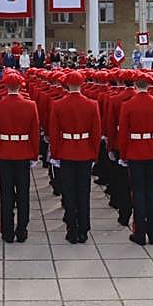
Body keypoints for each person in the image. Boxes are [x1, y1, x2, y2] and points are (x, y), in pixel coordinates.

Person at [117, 72, 153, 245]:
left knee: (138, 193)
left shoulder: (128, 105)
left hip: (135, 152)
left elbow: (123, 133)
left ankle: (140, 233)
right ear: (149, 86)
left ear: (135, 86)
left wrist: (123, 155)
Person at [0, 70, 40, 243]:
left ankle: (7, 231)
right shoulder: (30, 105)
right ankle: (22, 229)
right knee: (23, 194)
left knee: (6, 194)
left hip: (4, 152)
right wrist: (34, 154)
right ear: (20, 86)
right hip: (23, 151)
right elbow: (34, 133)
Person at [49, 71, 101, 243]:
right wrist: (94, 153)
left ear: (66, 85)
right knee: (84, 192)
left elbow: (54, 133)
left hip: (66, 150)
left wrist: (55, 153)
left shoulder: (58, 105)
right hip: (85, 150)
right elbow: (96, 133)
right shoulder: (92, 104)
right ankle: (84, 229)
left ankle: (72, 229)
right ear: (82, 84)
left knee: (69, 192)